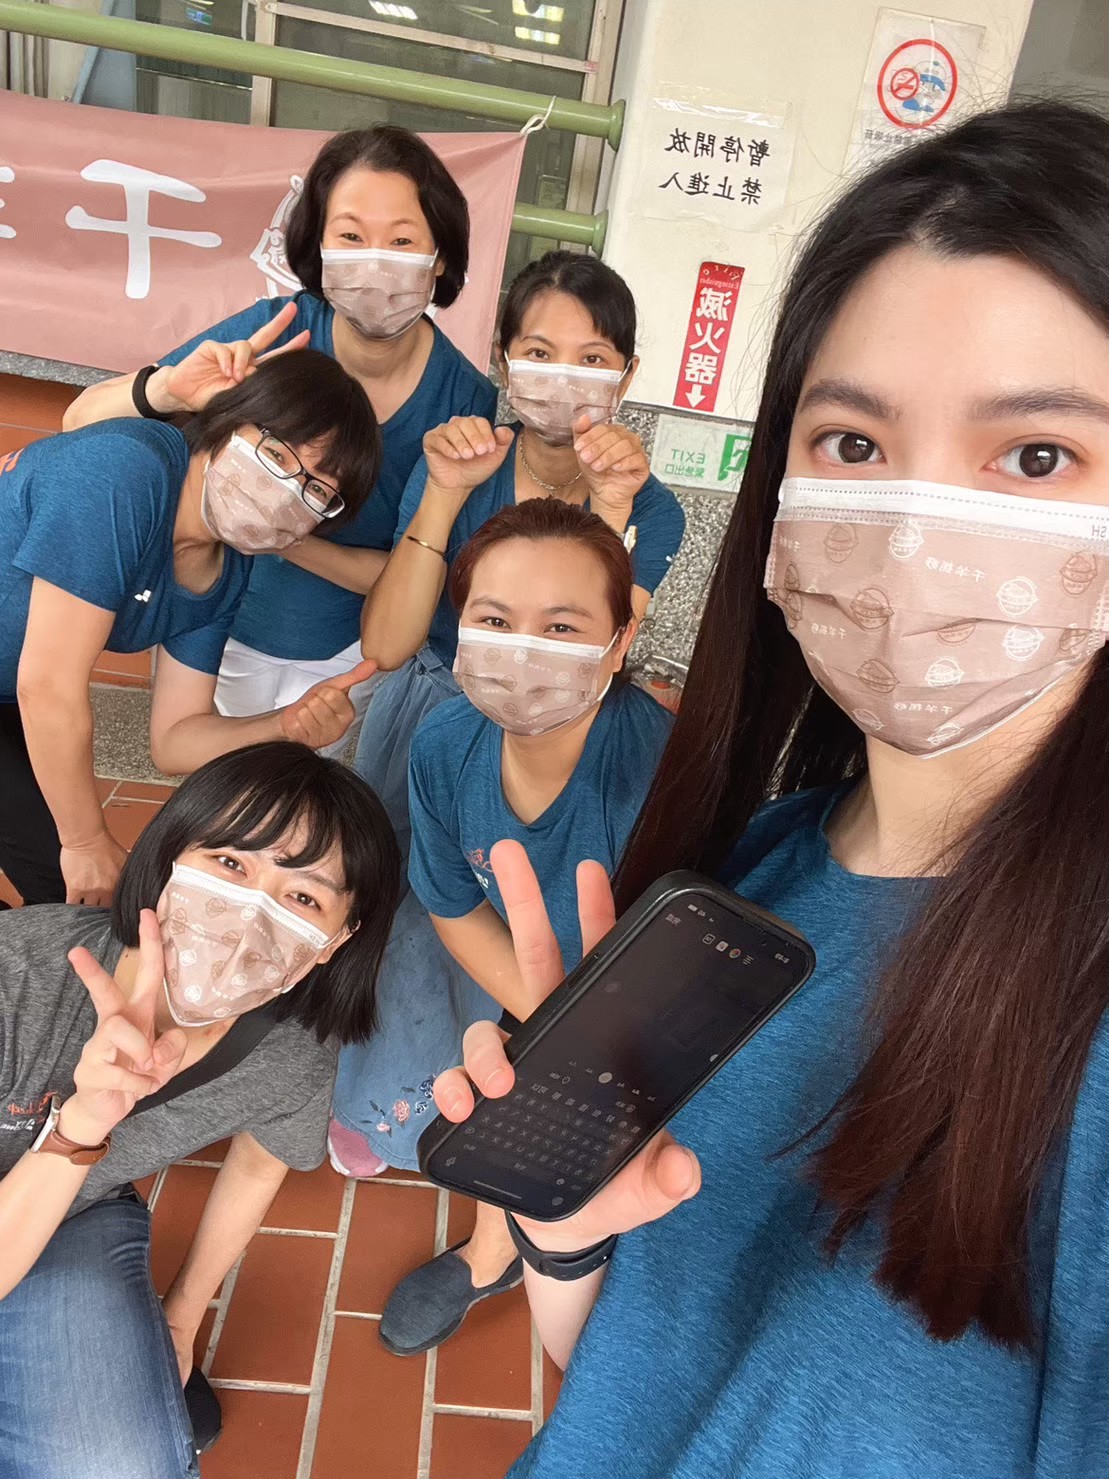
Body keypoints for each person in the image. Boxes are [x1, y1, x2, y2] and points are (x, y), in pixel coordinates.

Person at [431, 101, 1109, 1479]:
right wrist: (568, 1229)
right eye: (851, 443)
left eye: (1035, 455)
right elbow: (637, 1376)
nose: (911, 529)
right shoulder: (754, 871)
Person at [0, 740, 400, 1479]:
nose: (249, 914)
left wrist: (182, 1319)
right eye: (230, 863)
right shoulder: (15, 973)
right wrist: (80, 1123)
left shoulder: (292, 1055)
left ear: (334, 942)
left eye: (303, 897)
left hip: (77, 1216)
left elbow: (259, 1163)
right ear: (169, 858)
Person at [352, 499, 671, 1355]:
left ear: (618, 643)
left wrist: (597, 1043)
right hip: (528, 985)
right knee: (506, 1090)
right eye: (494, 620)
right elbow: (454, 904)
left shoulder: (658, 773)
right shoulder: (444, 743)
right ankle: (493, 1250)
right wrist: (551, 1023)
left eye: (561, 626)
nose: (523, 650)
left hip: (650, 1016)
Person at [63, 126, 495, 738]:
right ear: (318, 243)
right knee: (211, 781)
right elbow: (80, 420)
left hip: (345, 655)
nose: (374, 261)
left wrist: (279, 531)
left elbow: (414, 573)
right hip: (216, 633)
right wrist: (168, 391)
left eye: (402, 240)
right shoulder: (275, 332)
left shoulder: (465, 403)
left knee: (300, 788)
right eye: (351, 236)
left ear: (441, 255)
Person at [0, 351, 379, 908]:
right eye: (279, 454)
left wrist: (286, 724)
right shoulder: (124, 471)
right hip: (25, 692)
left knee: (74, 896)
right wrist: (84, 840)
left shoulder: (226, 565)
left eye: (319, 490)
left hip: (9, 696)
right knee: (74, 877)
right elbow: (49, 687)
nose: (289, 489)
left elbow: (175, 739)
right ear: (230, 419)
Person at [356, 250, 685, 858]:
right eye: (539, 352)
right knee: (380, 864)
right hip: (429, 701)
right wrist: (444, 491)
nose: (563, 377)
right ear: (503, 361)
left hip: (557, 729)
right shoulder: (458, 462)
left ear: (626, 375)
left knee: (500, 881)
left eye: (592, 359)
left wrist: (612, 509)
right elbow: (387, 646)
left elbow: (598, 660)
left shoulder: (652, 509)